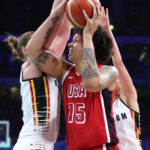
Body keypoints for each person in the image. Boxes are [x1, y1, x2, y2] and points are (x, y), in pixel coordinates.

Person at [27, 2, 119, 150]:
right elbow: (33, 50)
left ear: (90, 45)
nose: (69, 44)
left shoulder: (109, 72)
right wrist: (60, 11)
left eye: (76, 41)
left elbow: (90, 83)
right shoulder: (66, 72)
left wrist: (88, 35)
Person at [6, 0, 70, 149]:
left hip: (42, 144)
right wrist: (60, 8)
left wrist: (68, 7)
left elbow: (63, 34)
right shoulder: (28, 67)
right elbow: (53, 30)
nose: (44, 46)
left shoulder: (47, 62)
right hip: (32, 143)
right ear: (25, 49)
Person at [100, 7, 142, 150]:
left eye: (116, 78)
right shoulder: (101, 107)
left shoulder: (129, 100)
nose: (116, 79)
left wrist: (107, 30)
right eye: (111, 78)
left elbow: (118, 63)